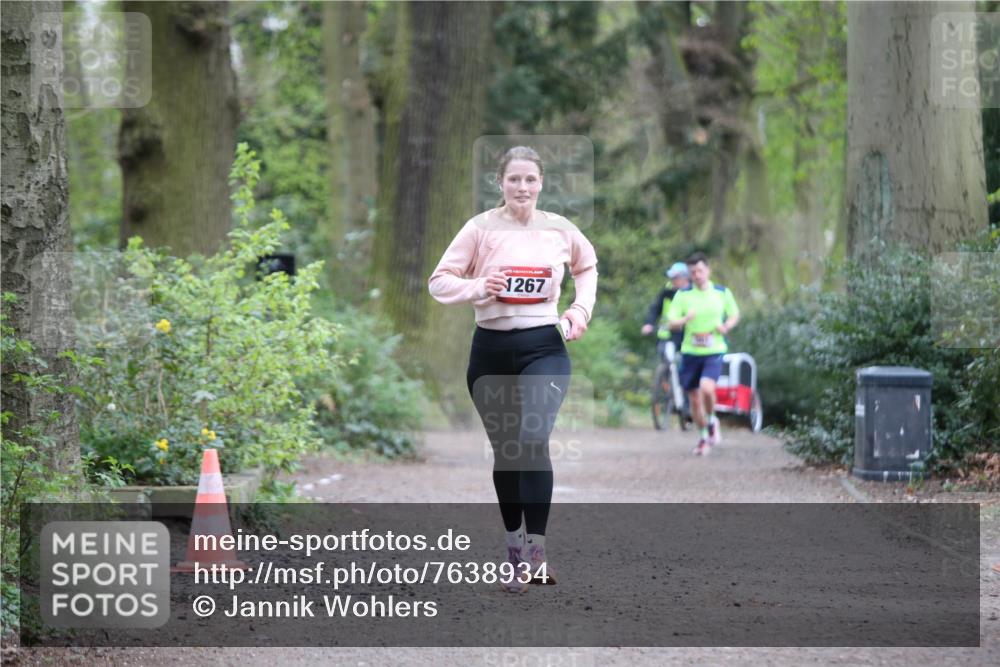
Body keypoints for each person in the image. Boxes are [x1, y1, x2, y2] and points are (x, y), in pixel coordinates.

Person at [428, 145, 598, 593]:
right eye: (514, 179)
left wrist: (580, 309)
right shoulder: (479, 228)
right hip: (490, 351)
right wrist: (478, 286)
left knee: (532, 438)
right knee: (507, 452)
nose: (522, 187)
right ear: (500, 182)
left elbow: (588, 265)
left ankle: (537, 553)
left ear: (541, 183)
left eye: (530, 179)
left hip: (544, 346)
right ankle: (514, 551)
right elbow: (439, 281)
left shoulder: (560, 229)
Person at [666, 252, 740, 456]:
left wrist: (726, 326)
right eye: (692, 272)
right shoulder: (683, 295)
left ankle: (711, 419)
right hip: (690, 352)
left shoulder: (721, 292)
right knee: (694, 400)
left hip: (714, 350)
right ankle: (703, 436)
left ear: (707, 270)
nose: (696, 275)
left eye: (699, 271)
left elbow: (734, 314)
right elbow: (671, 321)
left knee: (707, 388)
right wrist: (685, 319)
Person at [641, 262, 690, 366]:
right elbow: (655, 308)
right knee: (667, 361)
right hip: (667, 334)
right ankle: (665, 379)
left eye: (675, 278)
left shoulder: (693, 292)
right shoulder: (667, 292)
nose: (673, 281)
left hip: (687, 335)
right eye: (672, 278)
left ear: (684, 278)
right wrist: (649, 324)